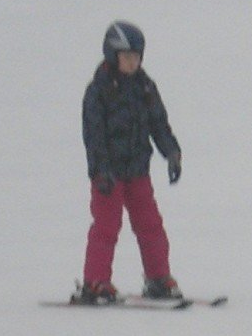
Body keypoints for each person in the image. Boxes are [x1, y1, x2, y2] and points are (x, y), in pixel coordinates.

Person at [77, 21, 183, 303]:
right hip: (108, 176)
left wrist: (171, 152)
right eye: (126, 57)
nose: (132, 63)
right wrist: (100, 170)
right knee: (106, 227)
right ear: (113, 57)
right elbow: (94, 134)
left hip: (138, 171)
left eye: (137, 57)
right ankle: (95, 282)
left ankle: (158, 278)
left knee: (150, 225)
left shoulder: (145, 87)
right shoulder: (99, 91)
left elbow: (159, 124)